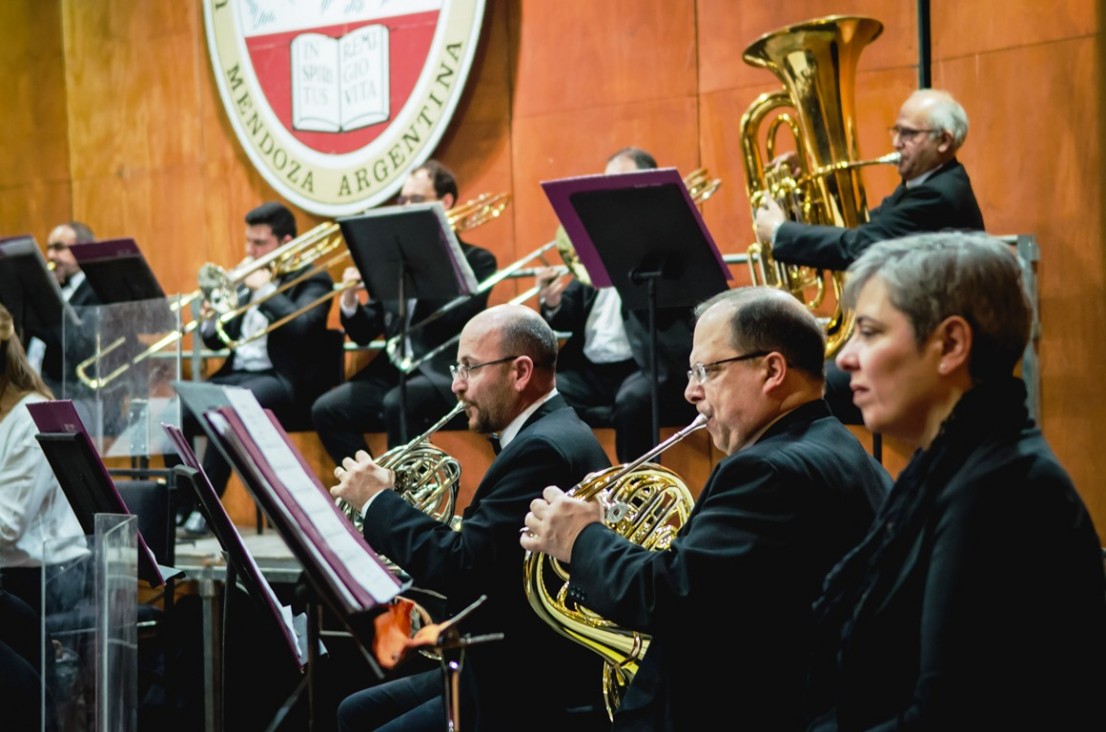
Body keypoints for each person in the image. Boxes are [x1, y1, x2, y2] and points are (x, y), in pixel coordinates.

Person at [521, 287, 890, 731]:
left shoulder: (767, 471)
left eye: (706, 371)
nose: (691, 391)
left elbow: (672, 597)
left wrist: (581, 539)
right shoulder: (843, 448)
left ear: (772, 370)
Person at [806, 232, 1106, 731]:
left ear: (950, 344)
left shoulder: (1004, 489)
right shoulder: (952, 467)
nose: (844, 358)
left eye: (871, 332)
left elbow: (947, 715)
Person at [331, 304, 610, 732]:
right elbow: (488, 547)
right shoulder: (547, 432)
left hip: (525, 678)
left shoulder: (543, 450)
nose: (456, 386)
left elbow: (462, 565)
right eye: (456, 367)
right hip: (508, 654)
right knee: (354, 711)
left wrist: (377, 502)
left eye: (469, 368)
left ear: (520, 372)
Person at [754, 89, 985, 424]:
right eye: (897, 131)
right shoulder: (923, 186)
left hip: (931, 355)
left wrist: (780, 232)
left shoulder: (939, 194)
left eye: (909, 134)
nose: (896, 143)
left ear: (944, 141)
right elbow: (867, 229)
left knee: (795, 389)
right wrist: (802, 187)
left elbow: (860, 245)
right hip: (915, 343)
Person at [311, 159, 497, 467]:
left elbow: (453, 321)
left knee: (399, 402)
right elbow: (363, 332)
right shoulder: (390, 258)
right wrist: (349, 299)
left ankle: (405, 504)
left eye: (416, 200)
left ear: (445, 202)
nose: (406, 207)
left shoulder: (479, 261)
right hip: (392, 370)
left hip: (442, 371)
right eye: (403, 200)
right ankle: (370, 490)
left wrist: (429, 263)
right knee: (327, 409)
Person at [178, 201, 335, 536]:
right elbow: (218, 342)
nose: (250, 251)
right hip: (239, 374)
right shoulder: (244, 280)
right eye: (249, 241)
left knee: (228, 407)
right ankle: (180, 504)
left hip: (282, 380)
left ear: (285, 241)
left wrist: (264, 290)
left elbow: (303, 329)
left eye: (259, 243)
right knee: (176, 410)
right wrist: (210, 319)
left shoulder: (315, 278)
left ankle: (208, 510)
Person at [536, 146, 697, 462]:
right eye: (605, 183)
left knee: (633, 402)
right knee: (541, 394)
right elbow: (568, 315)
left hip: (647, 365)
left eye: (619, 183)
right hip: (592, 369)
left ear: (647, 187)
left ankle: (638, 495)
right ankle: (567, 486)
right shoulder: (595, 244)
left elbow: (679, 310)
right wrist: (552, 302)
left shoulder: (670, 240)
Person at [25, 221, 103, 397]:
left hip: (68, 391)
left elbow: (79, 342)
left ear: (83, 250)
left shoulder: (96, 290)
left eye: (59, 248)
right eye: (49, 248)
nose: (51, 255)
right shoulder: (51, 288)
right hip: (32, 386)